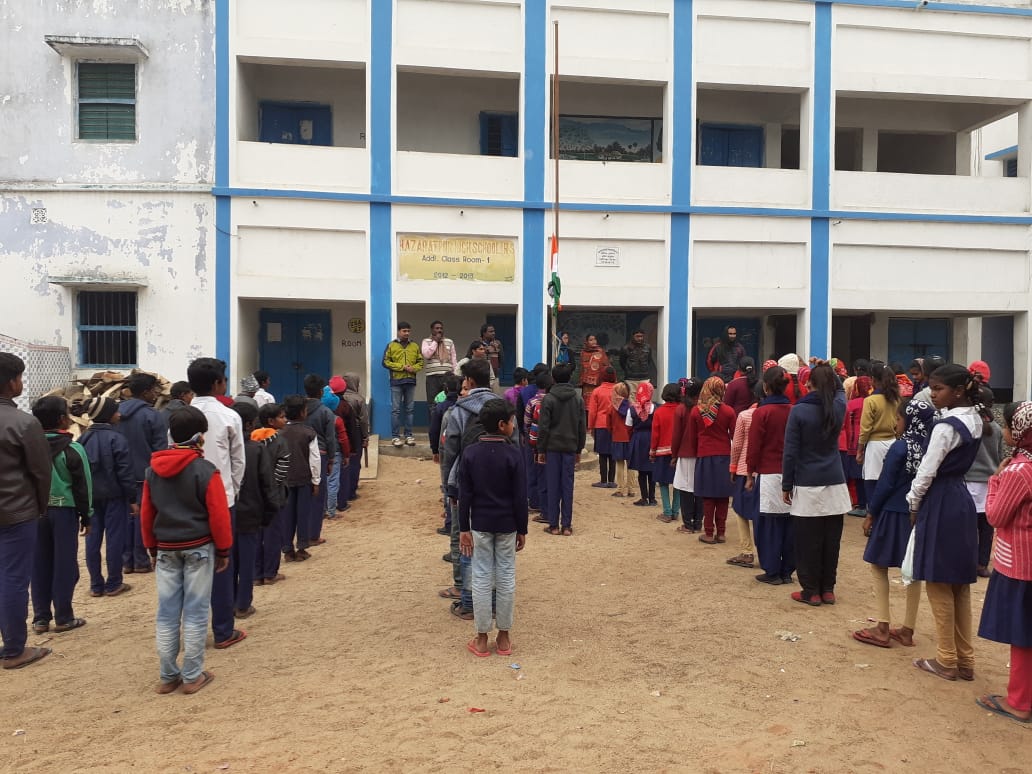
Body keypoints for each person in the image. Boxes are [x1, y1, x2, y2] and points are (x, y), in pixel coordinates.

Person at [141, 405, 232, 695]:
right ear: (199, 437)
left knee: (167, 612)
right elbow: (218, 514)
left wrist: (151, 547)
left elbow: (147, 514)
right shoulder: (206, 470)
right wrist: (224, 549)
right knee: (195, 611)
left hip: (165, 548)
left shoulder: (152, 471)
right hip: (199, 547)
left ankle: (168, 675)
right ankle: (192, 675)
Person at [908, 364, 983, 681]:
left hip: (941, 499)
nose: (933, 394)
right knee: (959, 585)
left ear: (958, 391)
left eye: (938, 389)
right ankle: (965, 659)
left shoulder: (945, 426)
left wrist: (914, 502)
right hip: (961, 498)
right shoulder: (975, 419)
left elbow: (926, 471)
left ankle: (946, 659)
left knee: (938, 582)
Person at [853, 399, 933, 649]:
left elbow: (885, 483)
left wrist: (871, 513)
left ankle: (882, 625)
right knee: (912, 571)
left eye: (898, 419)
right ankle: (908, 629)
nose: (895, 424)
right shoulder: (930, 446)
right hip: (917, 514)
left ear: (907, 421)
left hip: (892, 512)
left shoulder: (900, 447)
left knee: (878, 565)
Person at [976, 401, 1032, 723]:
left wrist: (995, 481)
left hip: (1021, 565)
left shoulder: (1019, 471)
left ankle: (1019, 702)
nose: (1006, 431)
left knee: (1022, 635)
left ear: (1021, 432)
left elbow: (996, 516)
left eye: (1009, 426)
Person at [458, 399, 528, 658]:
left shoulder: (470, 454)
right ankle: (504, 637)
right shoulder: (514, 454)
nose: (513, 426)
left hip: (480, 524)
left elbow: (465, 495)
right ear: (501, 425)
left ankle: (481, 639)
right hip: (508, 525)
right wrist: (522, 528)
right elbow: (520, 496)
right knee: (506, 576)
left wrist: (463, 527)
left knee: (481, 577)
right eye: (511, 421)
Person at [186, 357, 246, 650]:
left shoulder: (180, 416)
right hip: (221, 498)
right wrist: (232, 491)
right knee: (222, 561)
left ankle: (192, 632)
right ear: (217, 384)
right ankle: (223, 630)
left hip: (185, 499)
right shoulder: (228, 416)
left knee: (190, 565)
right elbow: (238, 461)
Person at [782, 363, 850, 606]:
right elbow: (840, 390)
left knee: (807, 541)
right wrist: (830, 371)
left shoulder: (799, 411)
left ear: (807, 383)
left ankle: (810, 590)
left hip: (808, 482)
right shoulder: (838, 406)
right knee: (831, 541)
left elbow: (790, 452)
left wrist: (786, 484)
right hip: (835, 482)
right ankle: (828, 589)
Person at [0, 353, 52, 669]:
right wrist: (40, 506)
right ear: (11, 382)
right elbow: (41, 473)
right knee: (13, 579)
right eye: (19, 377)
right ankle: (14, 649)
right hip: (16, 513)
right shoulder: (24, 423)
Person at [441, 359, 500, 619]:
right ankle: (494, 602)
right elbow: (515, 446)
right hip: (498, 484)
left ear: (470, 382)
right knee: (495, 543)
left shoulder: (459, 410)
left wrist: (449, 487)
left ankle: (467, 601)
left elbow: (450, 452)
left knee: (465, 540)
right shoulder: (502, 408)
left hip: (466, 483)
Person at [30, 396, 92, 636]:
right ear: (62, 419)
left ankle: (40, 619)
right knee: (65, 564)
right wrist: (87, 516)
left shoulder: (29, 447)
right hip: (64, 512)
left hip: (35, 512)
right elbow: (83, 487)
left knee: (39, 563)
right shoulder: (73, 449)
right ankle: (64, 617)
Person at [76, 397, 135, 598]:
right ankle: (114, 583)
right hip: (115, 497)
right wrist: (132, 499)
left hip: (91, 499)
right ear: (108, 415)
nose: (119, 414)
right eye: (116, 411)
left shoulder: (83, 439)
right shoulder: (117, 439)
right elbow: (125, 473)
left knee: (92, 539)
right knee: (115, 539)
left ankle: (96, 585)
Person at [230, 402, 280, 619]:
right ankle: (243, 604)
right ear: (251, 424)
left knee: (228, 560)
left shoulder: (222, 448)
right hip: (250, 513)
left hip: (227, 511)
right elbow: (267, 484)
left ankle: (229, 601)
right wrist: (269, 512)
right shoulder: (257, 449)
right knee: (247, 560)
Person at [116, 372, 168, 575]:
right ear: (146, 392)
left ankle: (126, 561)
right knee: (142, 516)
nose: (156, 394)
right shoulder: (153, 416)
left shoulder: (116, 412)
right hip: (145, 473)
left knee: (125, 516)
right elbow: (160, 449)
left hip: (120, 474)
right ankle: (140, 560)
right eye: (154, 391)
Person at [748, 366, 795, 585]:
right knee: (789, 522)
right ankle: (787, 569)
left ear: (765, 387)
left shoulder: (762, 412)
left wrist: (749, 472)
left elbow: (754, 446)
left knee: (768, 524)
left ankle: (772, 569)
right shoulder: (793, 410)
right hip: (791, 473)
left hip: (768, 472)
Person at [537, 363, 586, 536]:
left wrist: (541, 449)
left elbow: (543, 427)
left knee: (552, 485)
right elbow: (581, 427)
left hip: (552, 448)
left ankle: (553, 525)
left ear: (553, 378)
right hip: (570, 447)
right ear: (570, 377)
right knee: (567, 485)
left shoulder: (548, 399)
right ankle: (567, 525)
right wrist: (579, 449)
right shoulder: (578, 399)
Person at [690, 377, 736, 544]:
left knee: (708, 497)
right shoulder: (729, 411)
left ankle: (708, 533)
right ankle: (721, 532)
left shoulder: (696, 411)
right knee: (723, 496)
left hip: (704, 456)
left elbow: (693, 437)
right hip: (724, 456)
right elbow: (734, 435)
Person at [279, 395, 321, 565]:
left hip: (284, 481)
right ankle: (302, 547)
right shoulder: (309, 433)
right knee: (303, 514)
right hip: (304, 479)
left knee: (286, 515)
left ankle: (287, 549)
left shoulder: (279, 433)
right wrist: (316, 481)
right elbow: (315, 459)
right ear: (303, 412)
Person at [967, 385, 1003, 579]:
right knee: (987, 528)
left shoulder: (968, 426)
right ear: (991, 404)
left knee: (968, 527)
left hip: (969, 482)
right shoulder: (996, 428)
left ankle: (968, 562)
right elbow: (999, 456)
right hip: (989, 483)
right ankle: (982, 565)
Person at [857, 362, 901, 515]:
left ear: (873, 380)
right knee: (889, 482)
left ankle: (873, 517)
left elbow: (865, 429)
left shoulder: (870, 400)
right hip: (893, 443)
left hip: (874, 446)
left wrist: (859, 450)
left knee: (872, 484)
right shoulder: (896, 399)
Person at [252, 403, 289, 586]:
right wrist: (271, 487)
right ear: (271, 421)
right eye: (282, 417)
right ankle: (270, 573)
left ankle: (256, 574)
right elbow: (283, 466)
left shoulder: (252, 439)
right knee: (273, 535)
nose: (285, 420)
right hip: (275, 495)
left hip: (254, 494)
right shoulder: (279, 440)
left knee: (256, 535)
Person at [727, 391, 759, 568]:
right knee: (762, 513)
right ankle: (765, 551)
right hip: (768, 471)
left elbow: (737, 444)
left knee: (740, 509)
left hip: (744, 469)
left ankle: (747, 551)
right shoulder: (786, 411)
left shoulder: (745, 415)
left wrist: (733, 467)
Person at [302, 374, 336, 540]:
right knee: (318, 494)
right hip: (320, 455)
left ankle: (301, 532)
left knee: (302, 494)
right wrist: (331, 459)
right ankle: (314, 534)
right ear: (321, 392)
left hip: (299, 454)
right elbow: (330, 439)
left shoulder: (298, 409)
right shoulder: (326, 412)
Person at [382, 321, 424, 447]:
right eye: (404, 331)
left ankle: (408, 435)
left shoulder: (415, 346)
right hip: (396, 382)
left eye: (408, 331)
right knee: (395, 410)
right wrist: (402, 367)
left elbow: (421, 362)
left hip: (410, 381)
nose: (407, 333)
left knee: (410, 410)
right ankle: (395, 437)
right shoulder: (391, 345)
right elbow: (385, 362)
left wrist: (413, 368)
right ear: (398, 331)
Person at [671, 377, 704, 533]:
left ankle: (688, 523)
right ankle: (698, 522)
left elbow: (676, 435)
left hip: (685, 453)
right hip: (702, 453)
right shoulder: (704, 408)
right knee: (700, 487)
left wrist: (674, 454)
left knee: (685, 488)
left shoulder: (681, 409)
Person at [524, 371, 553, 519]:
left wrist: (529, 435)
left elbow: (527, 422)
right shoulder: (553, 400)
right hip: (551, 443)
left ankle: (537, 503)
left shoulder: (532, 402)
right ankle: (549, 506)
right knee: (549, 475)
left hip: (535, 443)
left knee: (536, 472)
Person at [651, 383, 682, 521]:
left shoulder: (659, 412)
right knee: (678, 483)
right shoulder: (682, 410)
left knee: (663, 482)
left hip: (662, 453)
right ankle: (675, 511)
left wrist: (652, 452)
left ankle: (667, 512)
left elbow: (655, 435)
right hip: (679, 453)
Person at [842, 376, 869, 517]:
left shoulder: (852, 403)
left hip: (855, 441)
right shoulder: (873, 401)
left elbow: (846, 423)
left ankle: (861, 505)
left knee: (858, 476)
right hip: (870, 441)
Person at [627, 381, 657, 507]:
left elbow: (628, 427)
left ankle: (644, 498)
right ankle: (652, 498)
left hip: (638, 439)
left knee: (641, 470)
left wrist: (633, 438)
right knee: (651, 469)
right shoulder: (655, 408)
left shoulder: (632, 409)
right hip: (652, 438)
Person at [340, 372, 368, 502]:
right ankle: (351, 491)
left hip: (340, 432)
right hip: (355, 432)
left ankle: (341, 491)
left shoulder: (338, 398)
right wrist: (365, 437)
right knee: (355, 462)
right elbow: (363, 420)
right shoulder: (359, 399)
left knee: (342, 461)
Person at [421, 321, 457, 422]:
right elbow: (427, 354)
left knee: (448, 401)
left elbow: (453, 359)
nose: (439, 330)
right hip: (432, 377)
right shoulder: (426, 341)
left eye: (441, 328)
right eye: (437, 328)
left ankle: (446, 425)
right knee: (432, 403)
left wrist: (455, 374)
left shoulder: (449, 342)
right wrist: (435, 342)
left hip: (447, 377)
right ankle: (434, 426)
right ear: (432, 330)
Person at [588, 366, 618, 489]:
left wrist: (590, 426)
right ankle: (612, 480)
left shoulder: (597, 391)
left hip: (600, 424)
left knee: (602, 453)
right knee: (613, 453)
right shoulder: (618, 390)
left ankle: (603, 480)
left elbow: (592, 412)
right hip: (615, 425)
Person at [608, 382, 634, 498]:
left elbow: (608, 424)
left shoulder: (611, 407)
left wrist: (613, 432)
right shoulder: (632, 406)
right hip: (630, 438)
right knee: (631, 464)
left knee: (619, 464)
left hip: (618, 437)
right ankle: (631, 489)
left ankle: (620, 489)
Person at [578, 334, 610, 407]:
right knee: (587, 404)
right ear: (587, 342)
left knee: (596, 403)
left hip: (598, 382)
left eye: (595, 339)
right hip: (586, 384)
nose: (593, 341)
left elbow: (605, 365)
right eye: (591, 340)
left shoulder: (600, 351)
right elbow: (582, 367)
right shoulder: (583, 353)